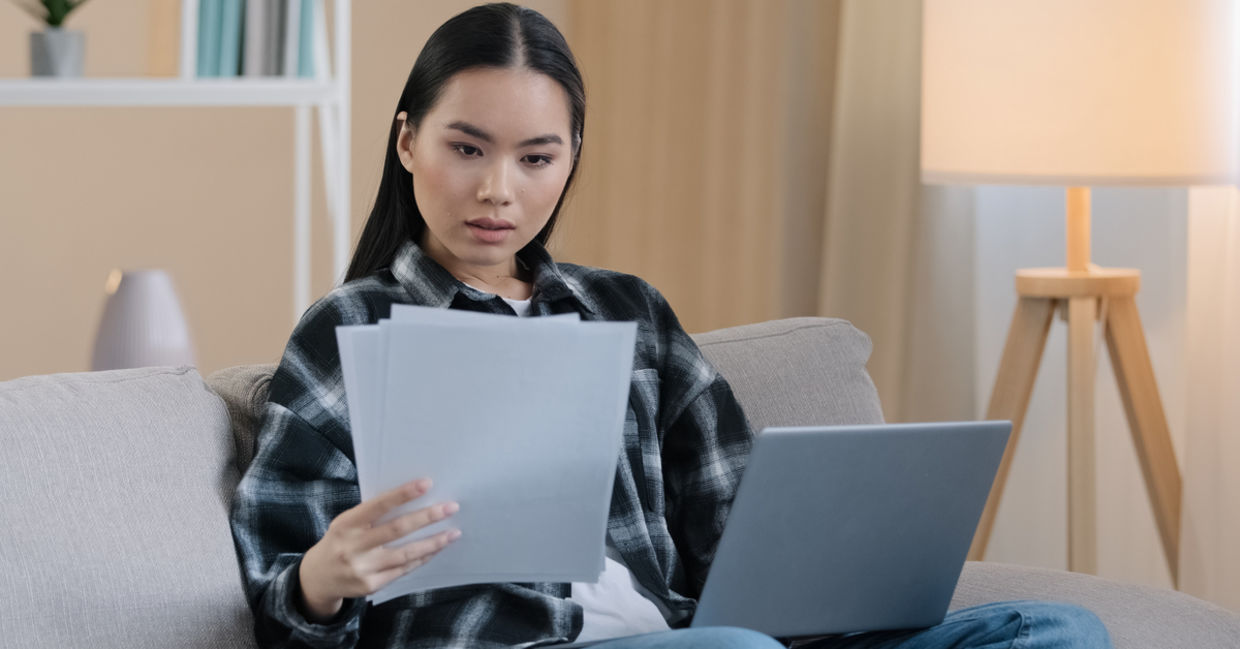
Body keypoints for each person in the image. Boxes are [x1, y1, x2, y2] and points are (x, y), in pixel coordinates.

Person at [229, 4, 1113, 649]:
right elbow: (278, 596)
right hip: (514, 645)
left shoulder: (630, 315)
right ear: (407, 141)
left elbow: (736, 532)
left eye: (536, 158)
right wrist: (320, 581)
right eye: (467, 148)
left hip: (696, 636)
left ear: (571, 157)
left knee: (1056, 632)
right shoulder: (350, 330)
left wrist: (824, 582)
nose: (500, 190)